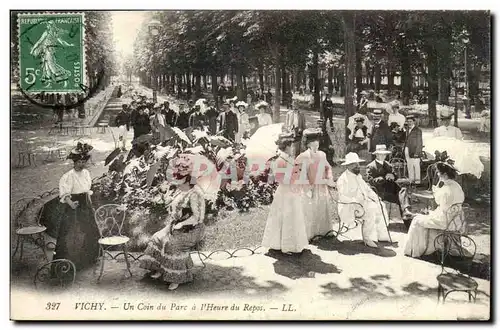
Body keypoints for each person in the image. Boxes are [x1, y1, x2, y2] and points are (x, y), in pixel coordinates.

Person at [140, 155, 206, 290]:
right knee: (156, 238)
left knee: (171, 245)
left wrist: (181, 224)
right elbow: (173, 205)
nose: (176, 180)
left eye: (180, 177)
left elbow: (198, 218)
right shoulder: (180, 189)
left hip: (192, 229)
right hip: (175, 225)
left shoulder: (195, 193)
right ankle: (162, 268)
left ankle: (177, 277)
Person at [53, 143, 100, 270]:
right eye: (79, 161)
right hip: (74, 205)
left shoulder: (86, 173)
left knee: (90, 230)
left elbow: (87, 190)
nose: (82, 164)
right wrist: (71, 204)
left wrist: (90, 204)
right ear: (74, 162)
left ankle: (88, 259)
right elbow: (65, 193)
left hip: (85, 204)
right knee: (71, 233)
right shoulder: (68, 176)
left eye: (84, 161)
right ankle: (68, 264)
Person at [404, 162, 465, 258]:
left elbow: (440, 203)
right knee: (424, 216)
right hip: (457, 220)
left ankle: (414, 251)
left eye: (439, 173)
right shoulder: (457, 186)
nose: (437, 174)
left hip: (446, 221)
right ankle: (429, 247)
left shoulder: (446, 189)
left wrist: (436, 190)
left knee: (416, 220)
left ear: (444, 175)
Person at [261, 134, 309, 254]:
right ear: (286, 147)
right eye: (291, 146)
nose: (292, 148)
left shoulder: (289, 159)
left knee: (293, 215)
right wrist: (296, 174)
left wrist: (298, 172)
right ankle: (284, 244)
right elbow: (279, 178)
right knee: (286, 216)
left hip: (292, 190)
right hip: (285, 191)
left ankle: (293, 243)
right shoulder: (280, 160)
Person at [336, 152, 391, 248]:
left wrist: (376, 197)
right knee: (371, 209)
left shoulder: (358, 176)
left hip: (361, 204)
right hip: (349, 207)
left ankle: (382, 235)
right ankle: (367, 238)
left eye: (358, 164)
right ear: (348, 166)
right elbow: (342, 197)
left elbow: (367, 189)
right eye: (354, 164)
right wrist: (357, 201)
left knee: (381, 205)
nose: (358, 166)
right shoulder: (343, 179)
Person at [296, 128, 336, 240]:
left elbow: (328, 168)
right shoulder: (303, 156)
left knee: (323, 208)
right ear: (308, 144)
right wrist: (308, 187)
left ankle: (324, 231)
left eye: (317, 142)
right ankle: (311, 233)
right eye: (313, 142)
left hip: (322, 186)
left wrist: (329, 178)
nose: (316, 144)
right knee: (311, 209)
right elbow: (300, 174)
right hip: (310, 187)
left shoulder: (322, 154)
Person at [366, 145, 413, 228]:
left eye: (384, 154)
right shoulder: (371, 166)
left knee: (403, 192)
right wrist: (384, 178)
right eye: (381, 154)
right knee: (401, 198)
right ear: (376, 155)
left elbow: (396, 176)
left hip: (391, 190)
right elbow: (371, 181)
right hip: (380, 192)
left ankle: (406, 214)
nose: (383, 156)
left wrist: (393, 176)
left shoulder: (388, 164)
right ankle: (406, 213)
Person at [403, 114, 423, 184]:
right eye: (408, 122)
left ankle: (417, 181)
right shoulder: (407, 130)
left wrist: (417, 153)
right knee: (409, 165)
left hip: (414, 151)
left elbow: (420, 143)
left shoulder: (418, 130)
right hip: (407, 149)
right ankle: (411, 180)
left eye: (410, 121)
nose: (409, 123)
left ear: (414, 122)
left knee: (416, 165)